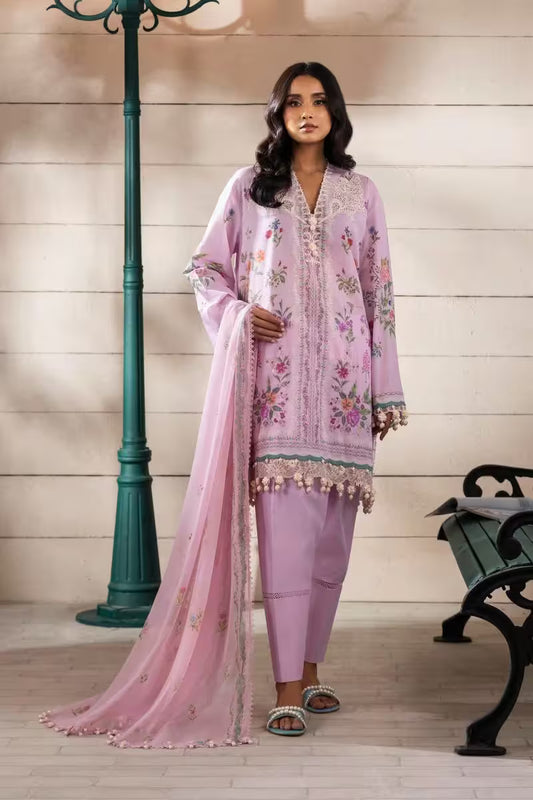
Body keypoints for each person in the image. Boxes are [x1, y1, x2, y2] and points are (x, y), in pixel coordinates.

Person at [37, 61, 406, 749]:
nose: (307, 111)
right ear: (277, 112)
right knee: (287, 546)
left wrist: (387, 386)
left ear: (335, 111)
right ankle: (286, 690)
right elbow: (204, 267)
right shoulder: (249, 188)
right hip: (273, 396)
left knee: (330, 549)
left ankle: (311, 670)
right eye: (294, 101)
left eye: (319, 100)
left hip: (348, 395)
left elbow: (377, 292)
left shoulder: (362, 193)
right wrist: (237, 310)